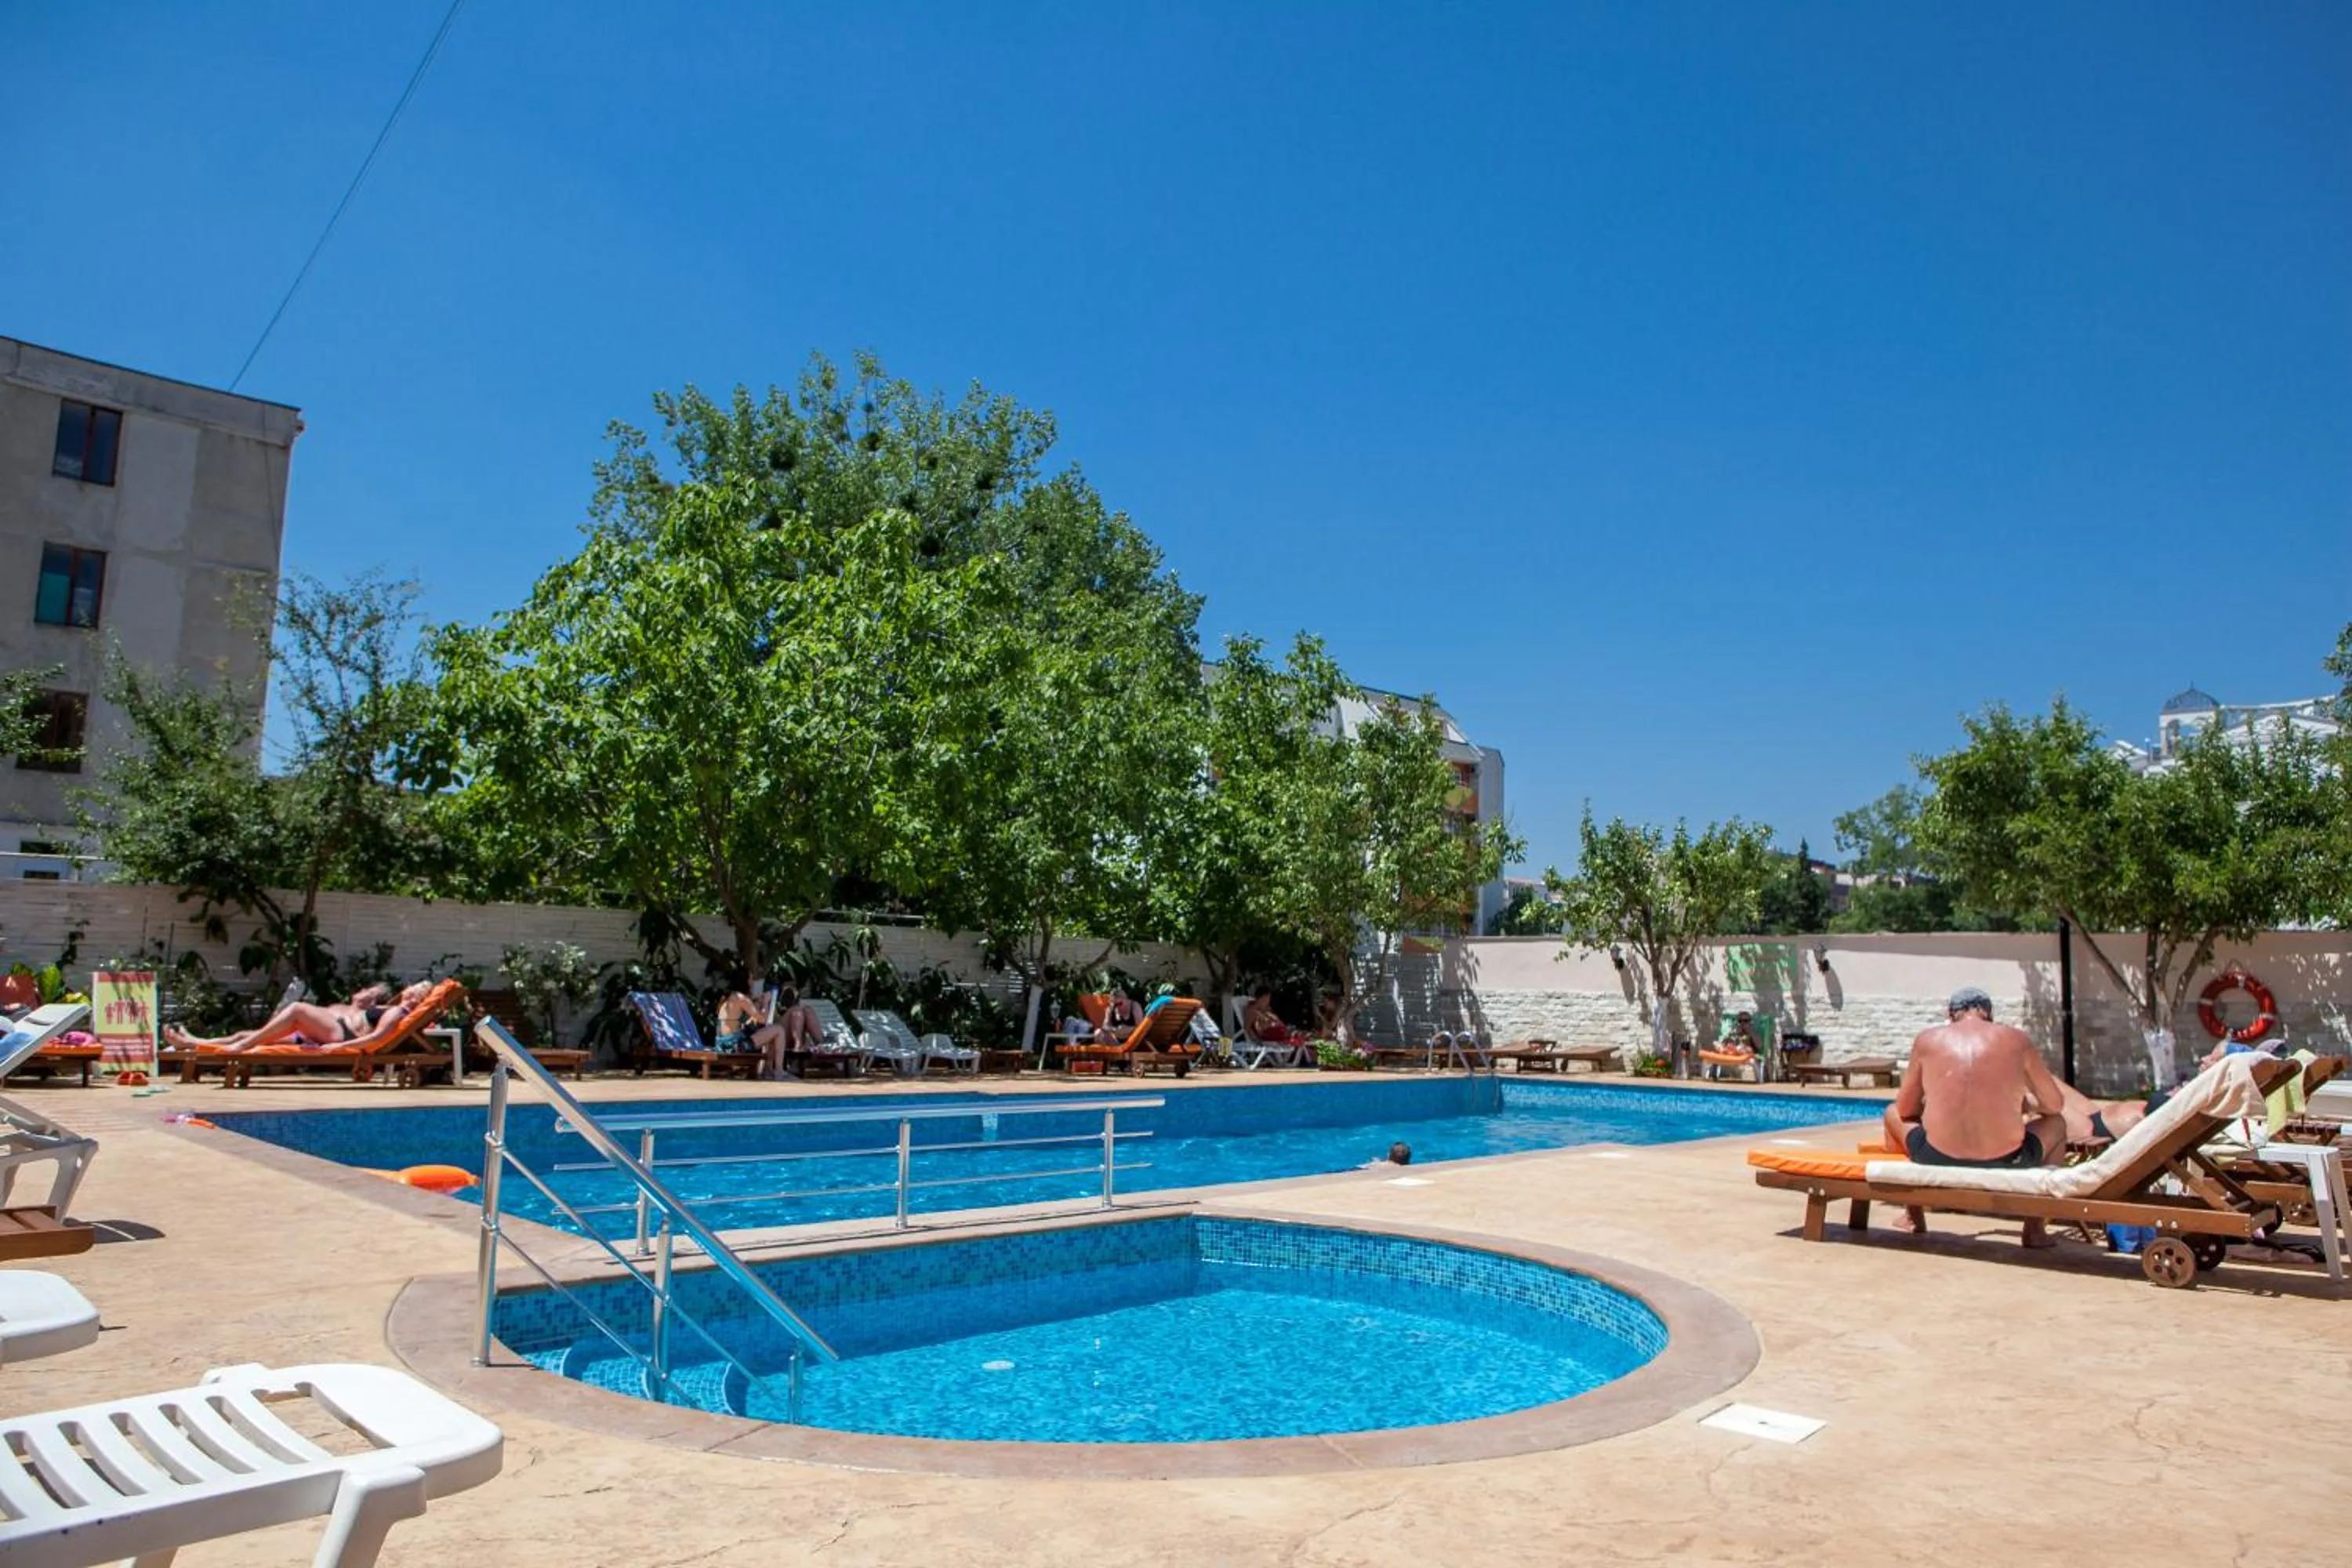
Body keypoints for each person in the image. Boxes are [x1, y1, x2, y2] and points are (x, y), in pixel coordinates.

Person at [1883, 987, 2069, 1247]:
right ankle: (2035, 1227)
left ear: (1951, 1014)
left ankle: (1912, 1215)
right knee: (2057, 1125)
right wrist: (2024, 1106)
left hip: (1936, 1156)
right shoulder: (2017, 1040)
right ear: (1987, 1013)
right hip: (2008, 1159)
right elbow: (2055, 1105)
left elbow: (1905, 1109)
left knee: (1892, 1114)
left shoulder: (1928, 1040)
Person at [164, 980, 434, 1052]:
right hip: (329, 1032)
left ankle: (242, 1047)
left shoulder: (398, 1012)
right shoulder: (393, 1009)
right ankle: (192, 1043)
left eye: (411, 988)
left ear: (414, 994)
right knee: (246, 1034)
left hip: (340, 1035)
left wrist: (339, 1047)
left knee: (297, 1009)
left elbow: (376, 1039)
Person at [1243, 985, 1309, 1046]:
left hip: (1276, 1031)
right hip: (1267, 1034)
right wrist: (1256, 1040)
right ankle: (1302, 1035)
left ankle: (1303, 1036)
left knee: (1293, 1031)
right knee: (1294, 1033)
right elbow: (1247, 1028)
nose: (1269, 1000)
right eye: (1268, 998)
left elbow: (1278, 1021)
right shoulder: (1253, 1010)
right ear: (1263, 997)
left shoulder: (1265, 1010)